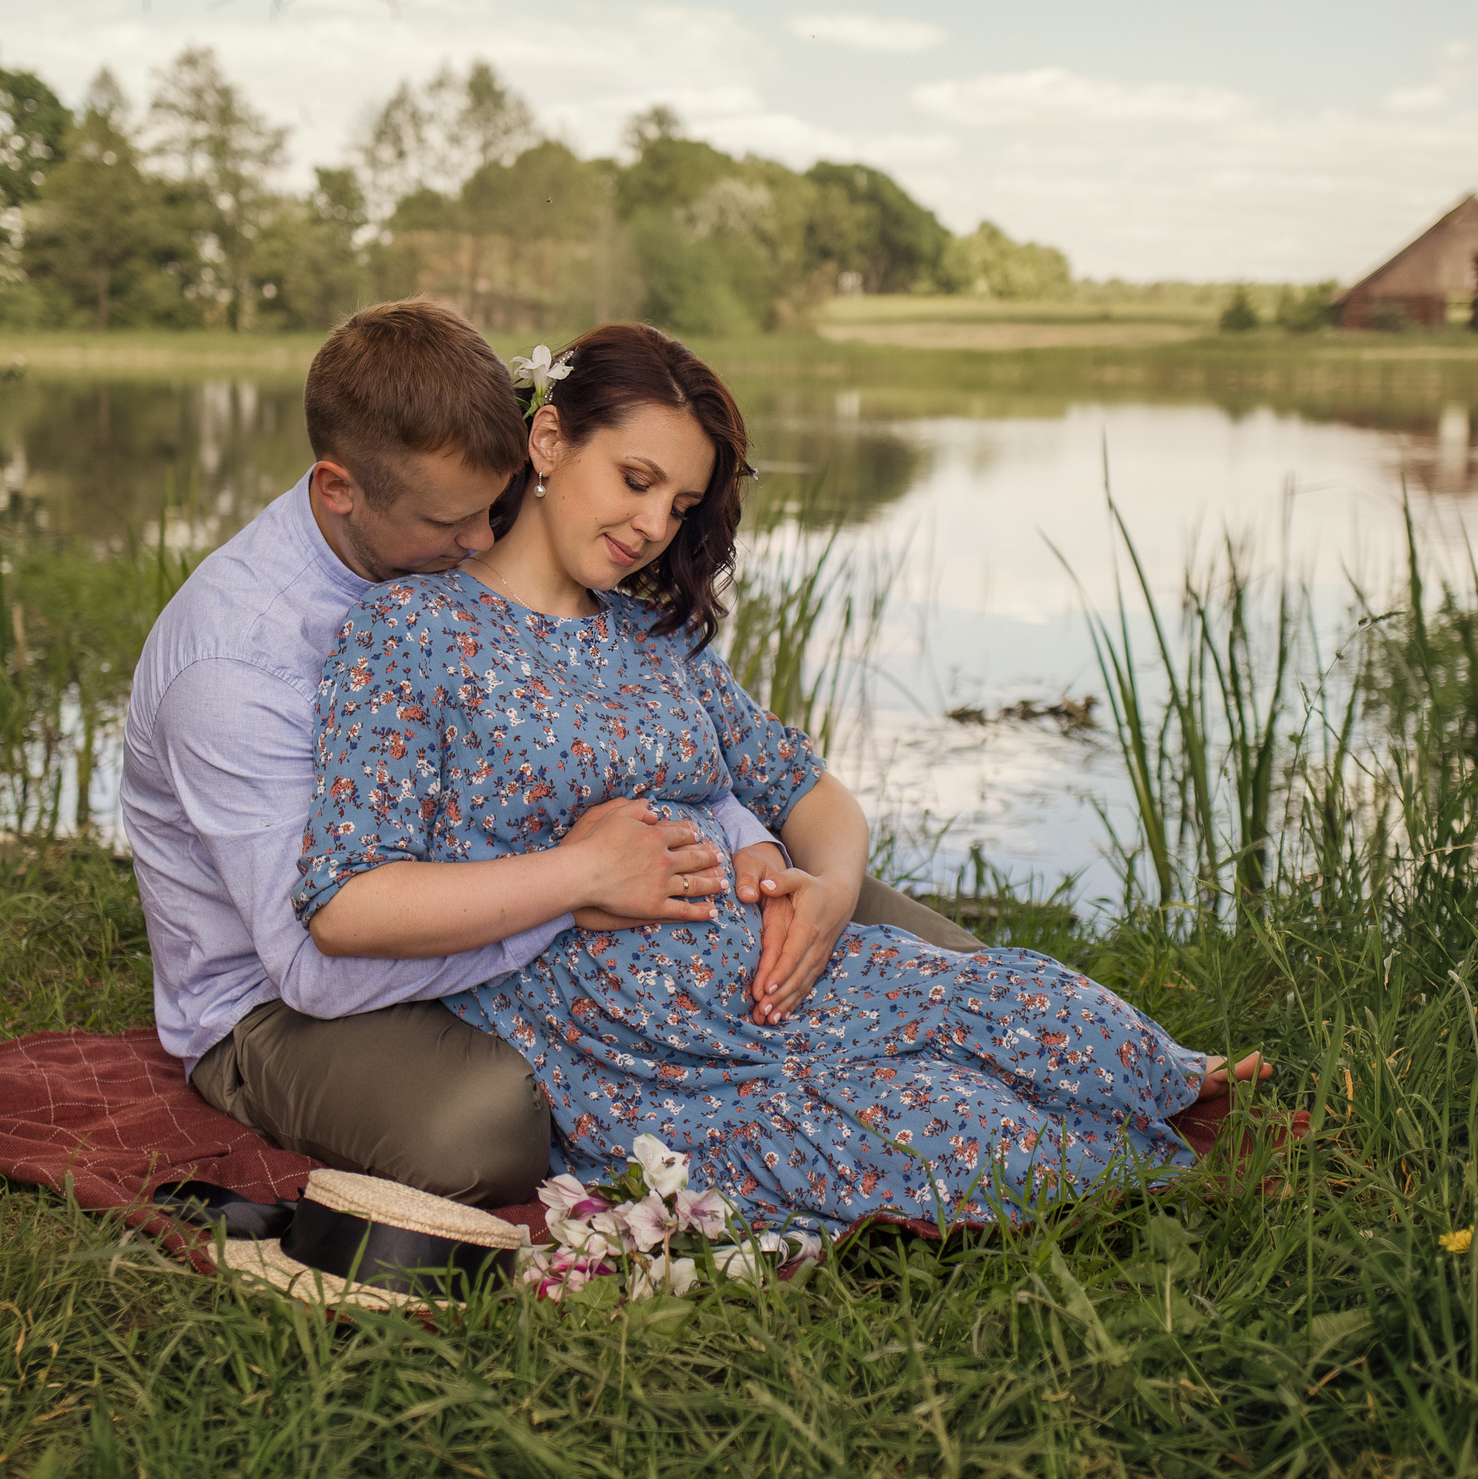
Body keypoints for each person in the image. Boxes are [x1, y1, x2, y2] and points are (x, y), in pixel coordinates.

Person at [291, 323, 1262, 1231]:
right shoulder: (412, 629)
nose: (652, 525)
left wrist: (827, 895)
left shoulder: (651, 637)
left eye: (679, 506)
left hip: (773, 965)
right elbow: (346, 902)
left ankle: (1197, 1105)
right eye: (635, 479)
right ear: (547, 441)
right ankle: (1169, 1168)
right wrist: (579, 874)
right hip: (638, 1032)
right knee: (953, 1129)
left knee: (1037, 1007)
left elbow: (809, 790)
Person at [120, 300, 982, 1207]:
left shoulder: (500, 574)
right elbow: (317, 958)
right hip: (277, 1000)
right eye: (453, 520)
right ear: (339, 489)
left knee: (931, 954)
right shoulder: (237, 667)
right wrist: (581, 886)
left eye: (491, 503)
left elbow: (710, 758)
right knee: (488, 1127)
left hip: (580, 900)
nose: (483, 539)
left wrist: (749, 839)